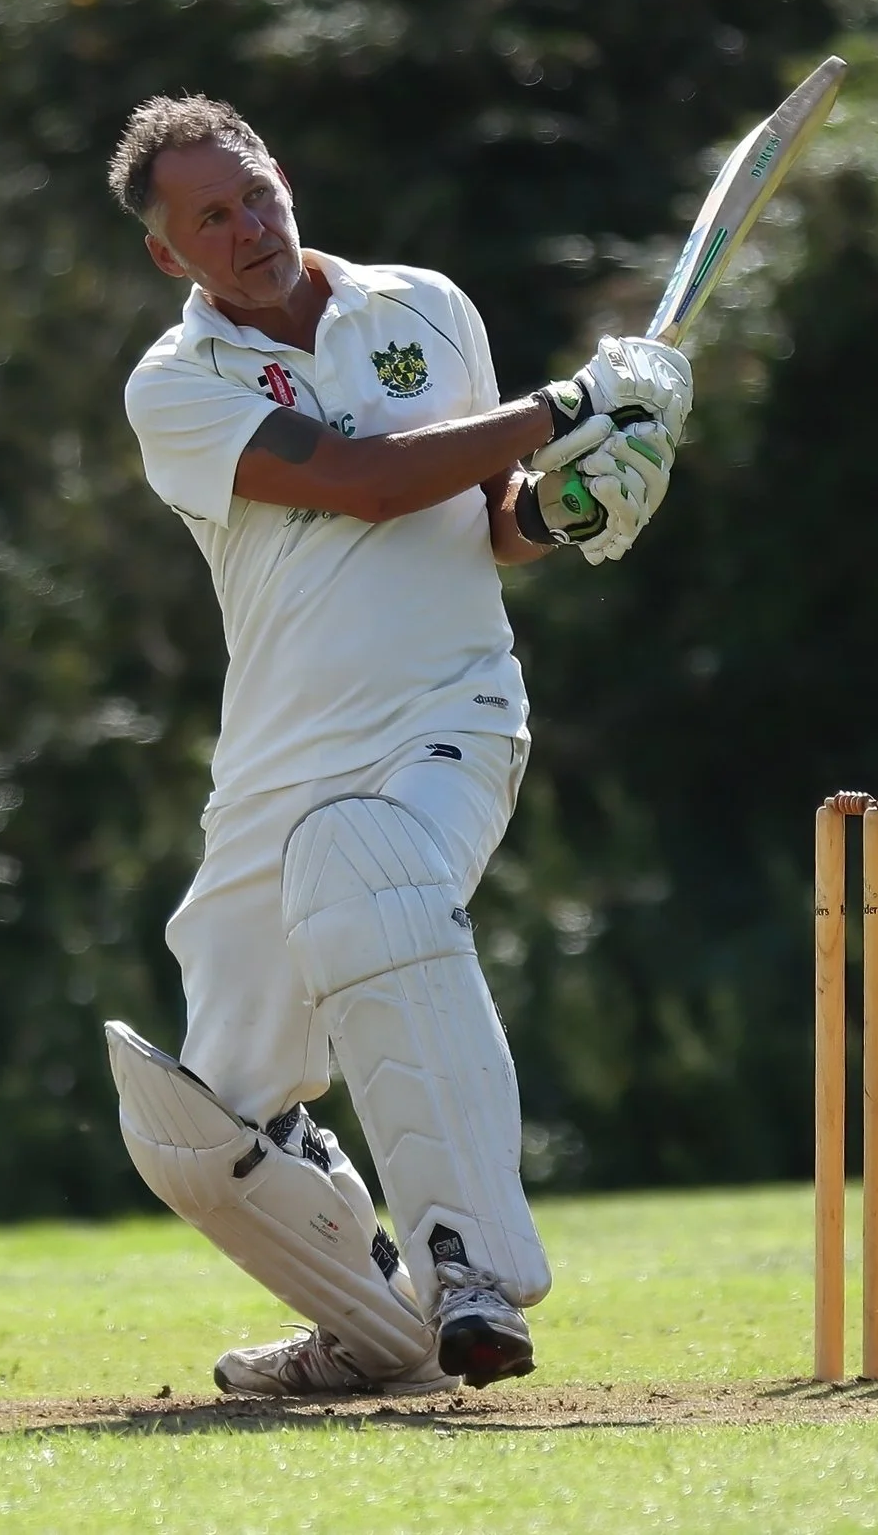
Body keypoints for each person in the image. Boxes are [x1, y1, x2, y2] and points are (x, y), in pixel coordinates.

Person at [96, 94, 690, 1397]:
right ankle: (377, 1335)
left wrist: (576, 505)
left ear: (281, 177)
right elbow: (365, 482)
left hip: (446, 721)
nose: (247, 227)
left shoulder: (424, 305)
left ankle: (470, 1272)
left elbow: (489, 523)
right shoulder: (176, 385)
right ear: (168, 254)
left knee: (369, 875)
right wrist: (573, 403)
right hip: (272, 768)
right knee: (209, 1130)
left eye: (253, 192)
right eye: (210, 217)